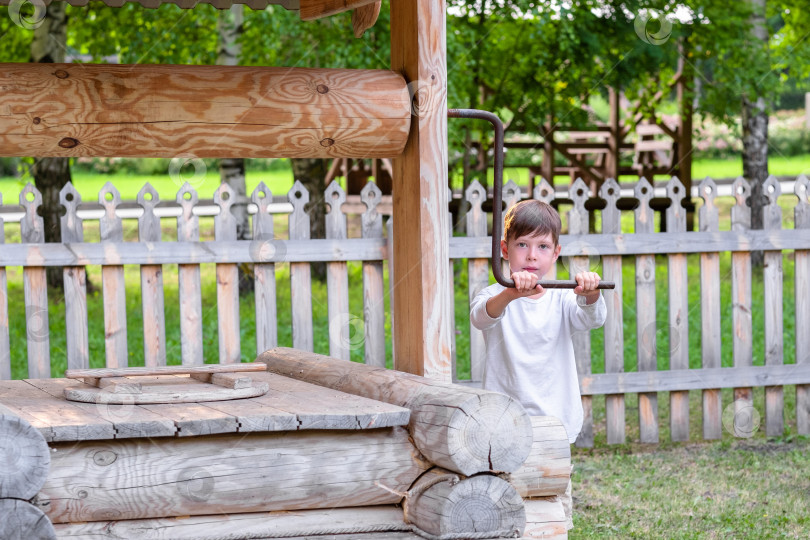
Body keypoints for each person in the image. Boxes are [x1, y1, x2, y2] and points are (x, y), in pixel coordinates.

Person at [469, 199, 606, 531]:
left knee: (553, 500)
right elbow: (481, 317)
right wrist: (511, 294)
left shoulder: (562, 298)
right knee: (508, 499)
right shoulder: (494, 294)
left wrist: (589, 293)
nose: (532, 255)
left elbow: (593, 318)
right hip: (506, 424)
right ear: (504, 249)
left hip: (554, 422)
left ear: (555, 253)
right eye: (522, 244)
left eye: (542, 246)